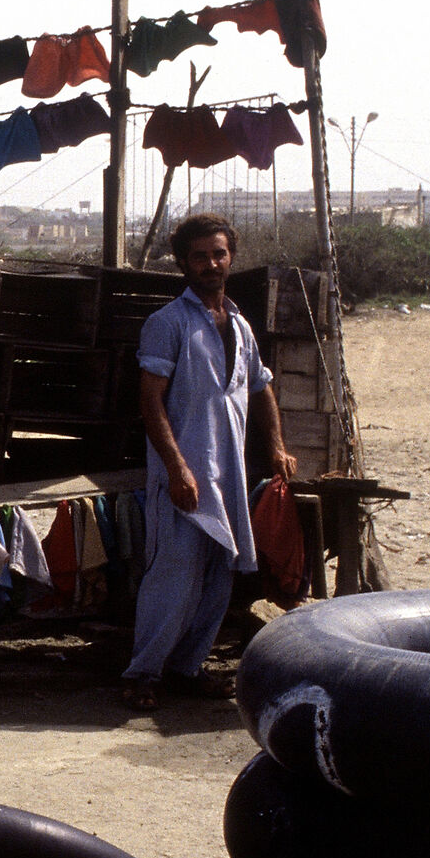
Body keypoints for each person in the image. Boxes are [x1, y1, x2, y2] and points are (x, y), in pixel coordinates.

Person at [121, 212, 297, 712]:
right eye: (200, 256)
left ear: (231, 258)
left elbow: (260, 388)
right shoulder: (167, 324)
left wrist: (278, 446)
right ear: (183, 263)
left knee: (218, 576)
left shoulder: (241, 326)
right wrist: (177, 468)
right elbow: (150, 402)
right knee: (173, 574)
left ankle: (186, 668)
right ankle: (141, 673)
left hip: (229, 475)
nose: (211, 264)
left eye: (219, 254)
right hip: (184, 473)